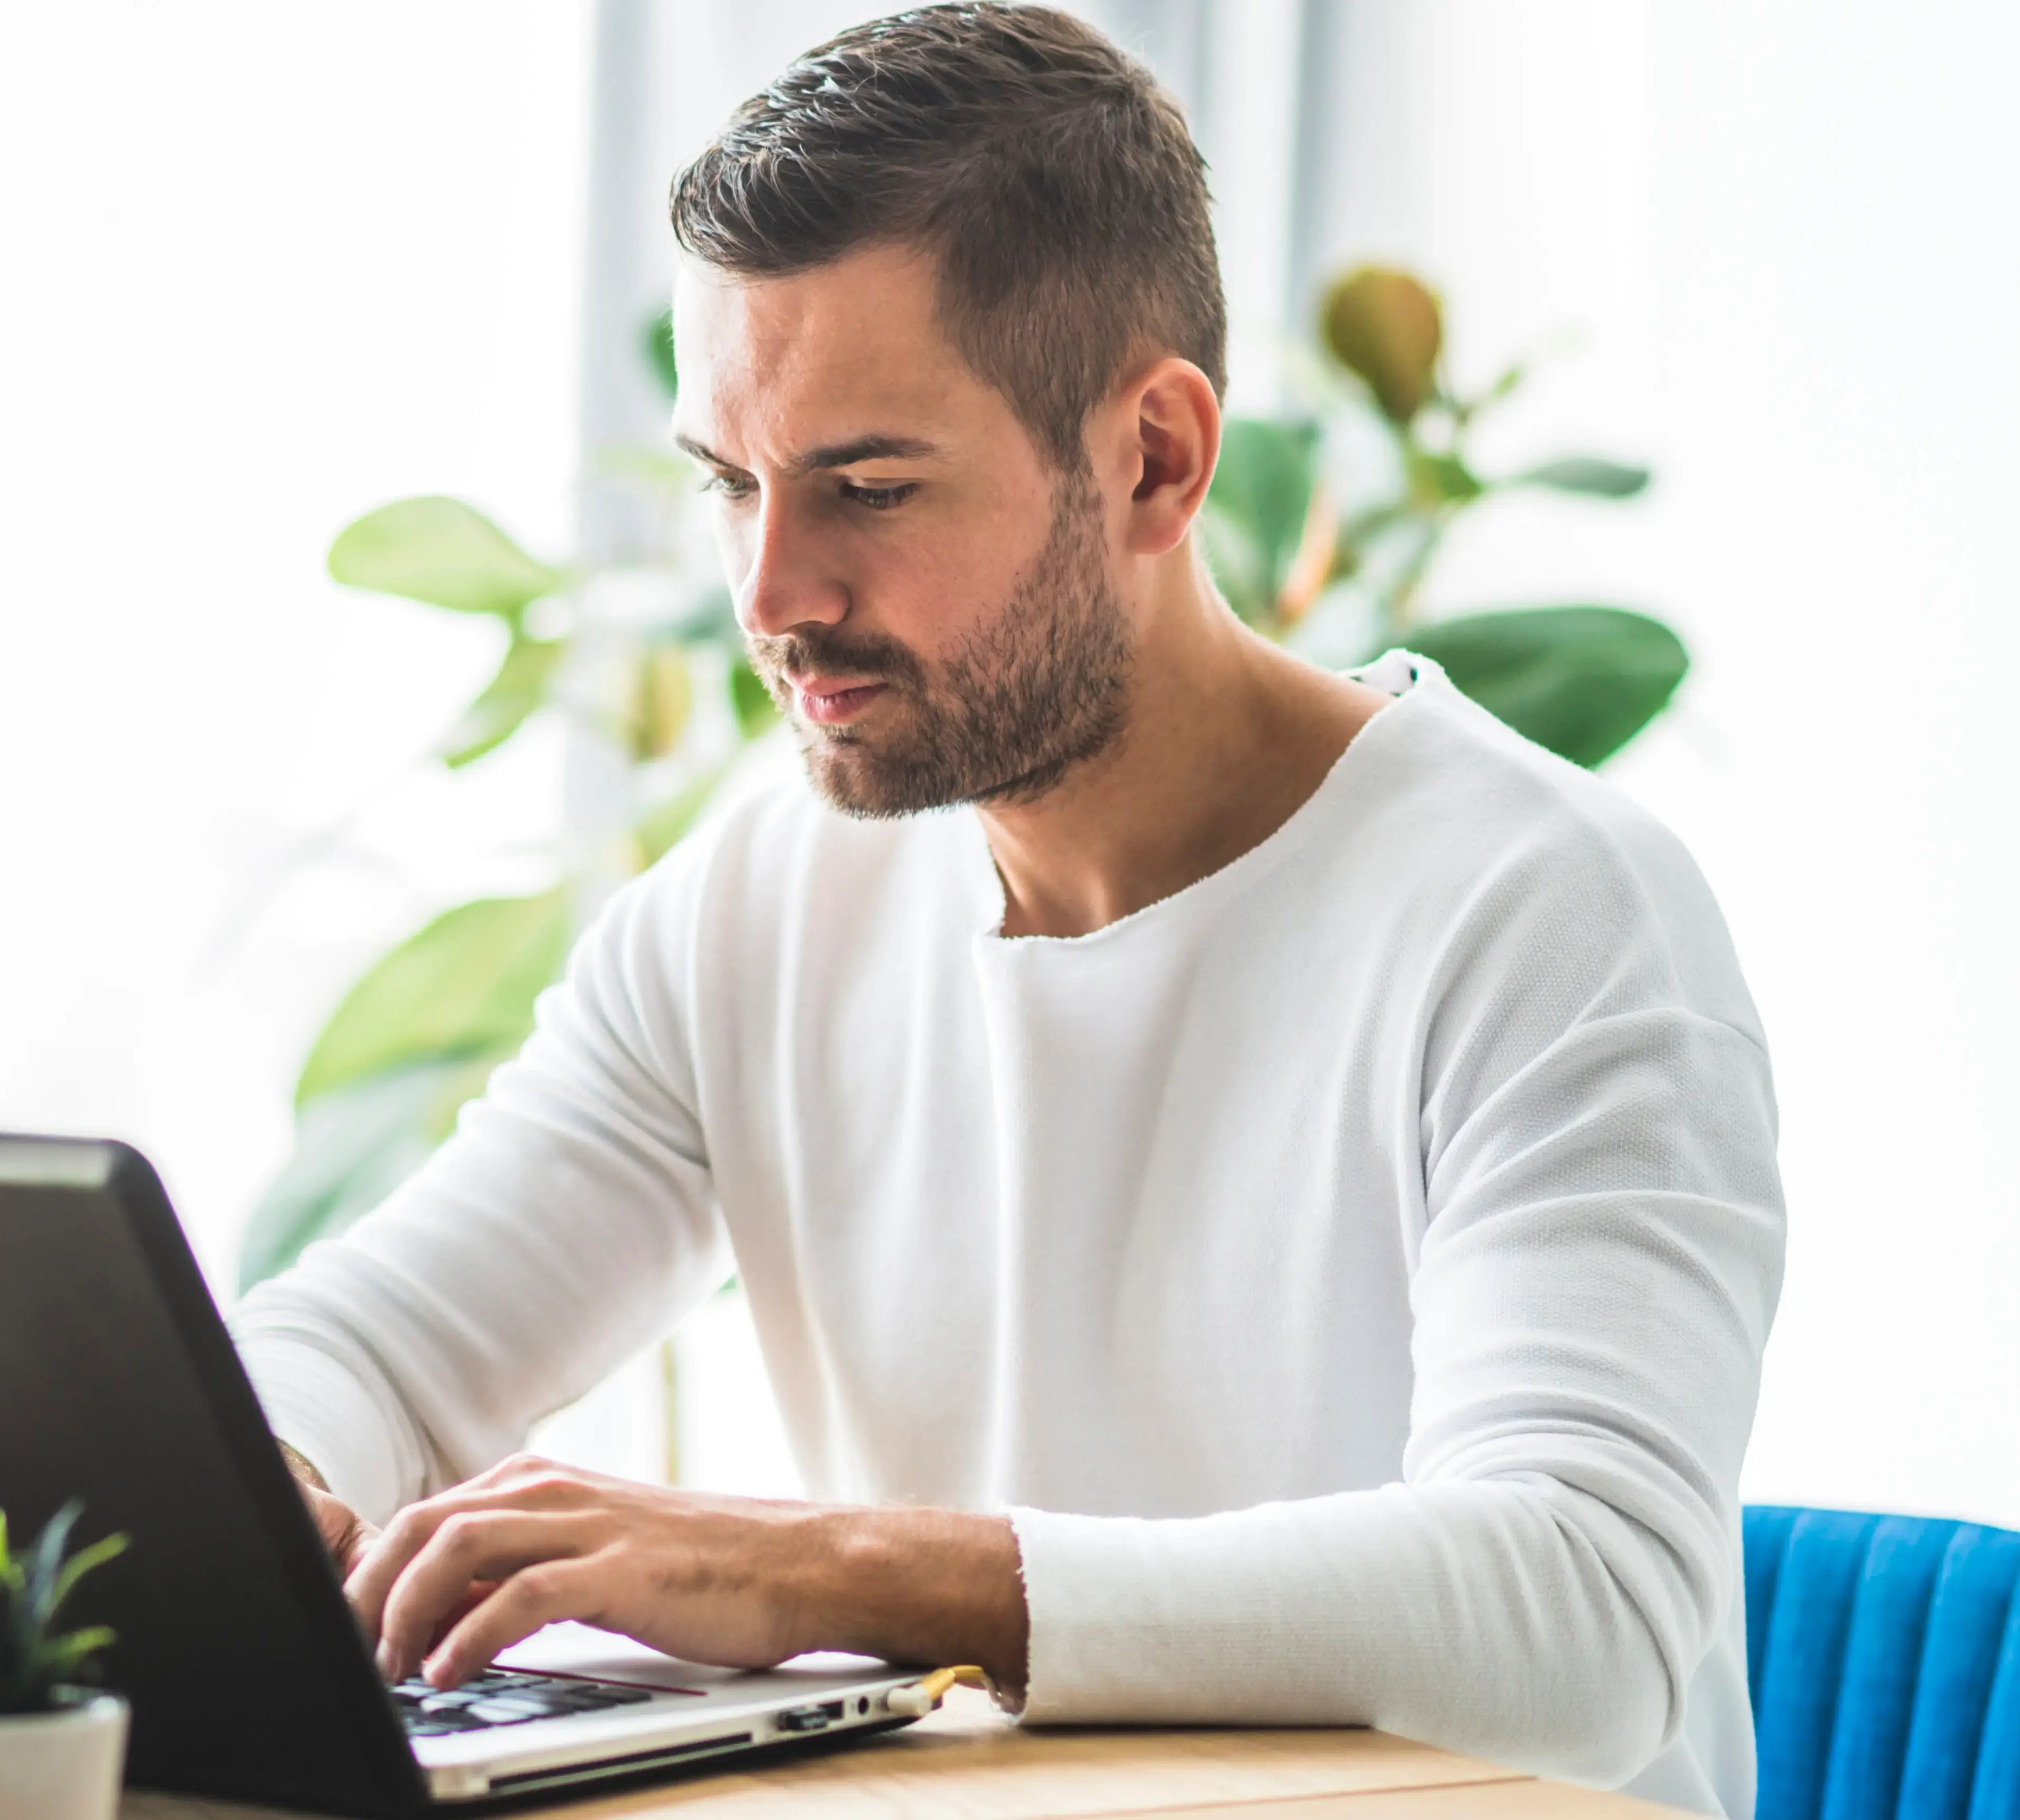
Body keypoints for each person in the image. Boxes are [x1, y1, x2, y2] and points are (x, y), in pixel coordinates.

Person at [229, 5, 1783, 1814]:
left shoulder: (1549, 918)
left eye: (867, 487)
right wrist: (262, 1473)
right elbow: (367, 1347)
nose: (770, 589)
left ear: (1156, 460)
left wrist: (837, 1571)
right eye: (730, 484)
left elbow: (1582, 1619)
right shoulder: (755, 907)